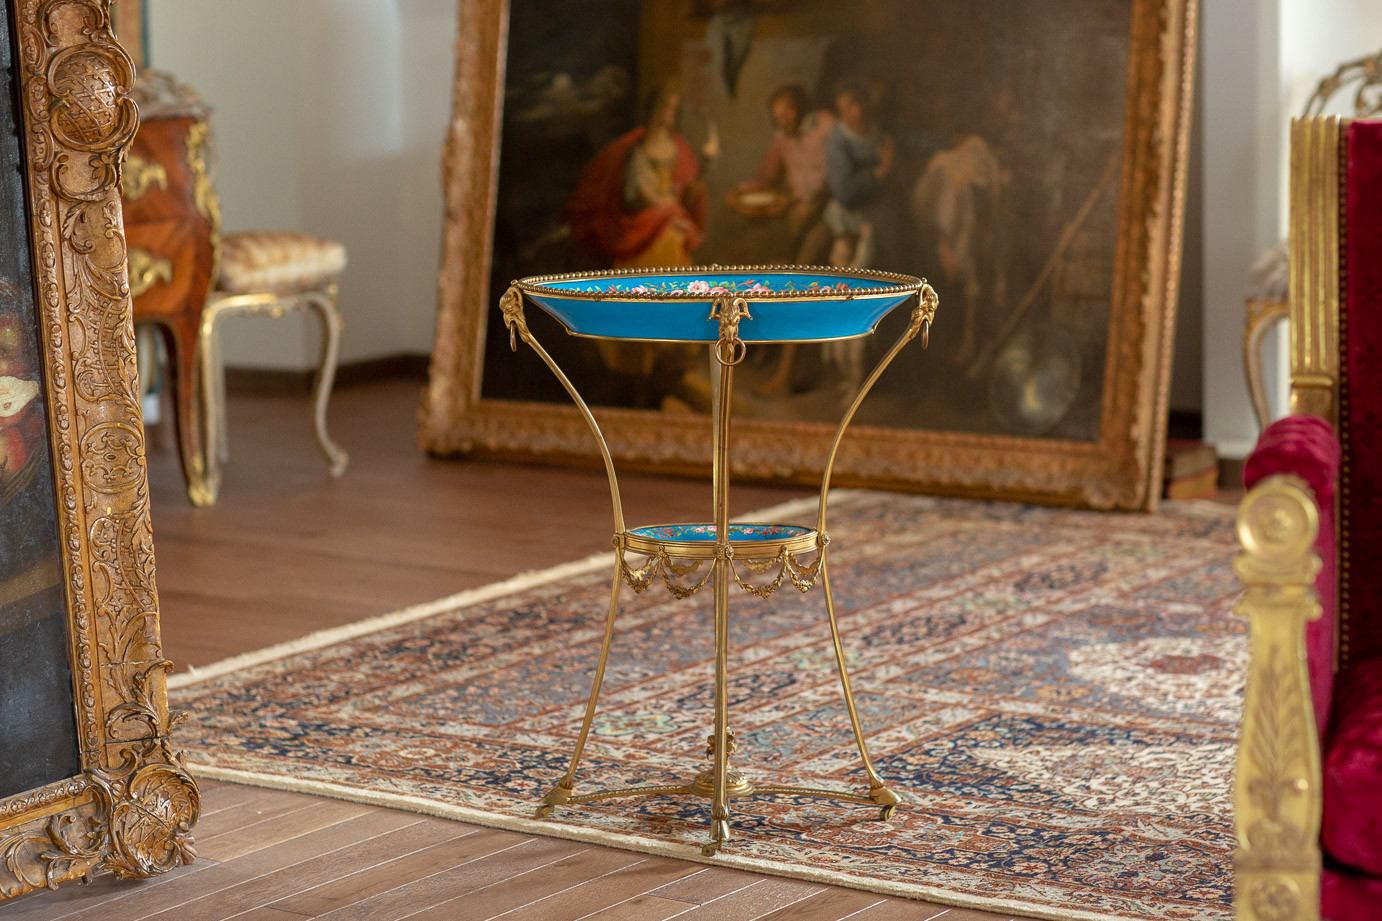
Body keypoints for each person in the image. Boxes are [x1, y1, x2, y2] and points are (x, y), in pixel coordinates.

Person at [732, 84, 834, 395]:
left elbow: (833, 182)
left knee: (799, 283)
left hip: (830, 217)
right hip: (797, 220)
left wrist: (793, 203)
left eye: (787, 112)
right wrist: (739, 193)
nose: (783, 120)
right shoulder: (782, 137)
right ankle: (754, 349)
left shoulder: (827, 127)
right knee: (751, 257)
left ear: (800, 106)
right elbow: (766, 177)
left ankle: (785, 376)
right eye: (777, 116)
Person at [563, 81, 710, 270]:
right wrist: (670, 212)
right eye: (667, 107)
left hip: (667, 212)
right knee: (669, 236)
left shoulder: (678, 146)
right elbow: (639, 193)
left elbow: (687, 195)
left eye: (674, 108)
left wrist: (696, 182)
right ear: (655, 109)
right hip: (644, 217)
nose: (671, 112)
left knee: (675, 235)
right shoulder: (639, 148)